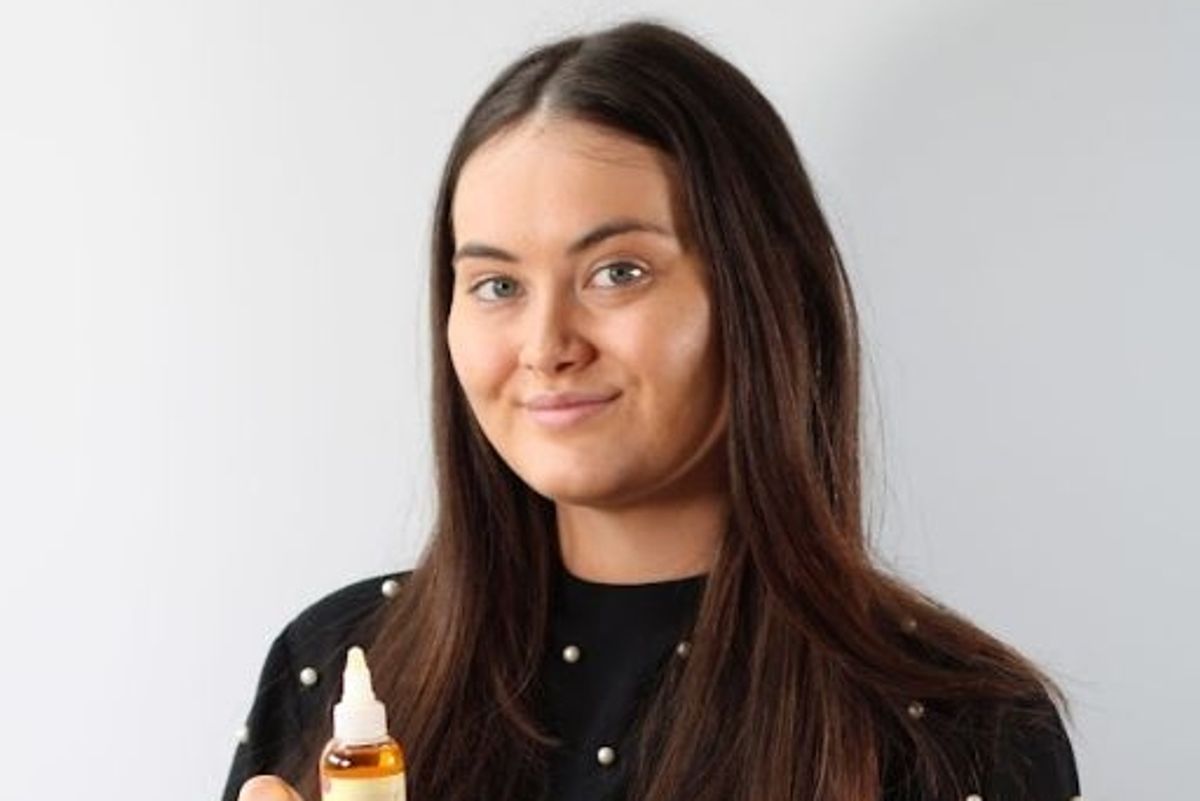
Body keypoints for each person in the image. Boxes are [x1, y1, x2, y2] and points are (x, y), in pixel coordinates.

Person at [224, 19, 1081, 801]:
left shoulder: (965, 730)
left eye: (617, 273)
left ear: (762, 294)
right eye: (496, 285)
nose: (546, 344)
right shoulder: (331, 665)